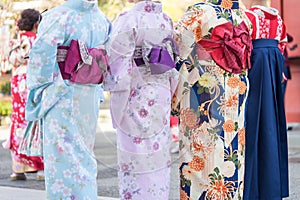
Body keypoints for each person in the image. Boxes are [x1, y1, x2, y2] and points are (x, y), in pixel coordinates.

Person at [25, 0, 111, 198]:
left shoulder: (59, 16)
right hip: (89, 92)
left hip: (61, 92)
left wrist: (39, 88)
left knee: (63, 156)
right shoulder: (101, 19)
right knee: (84, 154)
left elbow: (41, 55)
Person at [173, 0, 253, 199]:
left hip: (206, 86)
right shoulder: (243, 16)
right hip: (236, 85)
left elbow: (178, 43)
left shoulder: (201, 11)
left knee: (200, 145)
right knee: (232, 145)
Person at [104, 0, 179, 199]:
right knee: (158, 155)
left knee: (135, 154)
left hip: (136, 93)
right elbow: (172, 59)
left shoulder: (129, 19)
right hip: (161, 90)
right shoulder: (165, 19)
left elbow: (118, 64)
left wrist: (116, 94)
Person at [242, 1, 289, 199]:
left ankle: (252, 188)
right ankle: (272, 186)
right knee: (272, 121)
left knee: (252, 122)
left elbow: (242, 46)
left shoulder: (248, 17)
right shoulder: (278, 18)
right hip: (274, 62)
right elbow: (283, 45)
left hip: (255, 62)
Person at [3, 8, 44, 181]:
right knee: (37, 121)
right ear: (37, 24)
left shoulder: (15, 41)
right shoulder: (39, 40)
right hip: (34, 80)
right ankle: (40, 167)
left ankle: (18, 168)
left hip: (18, 80)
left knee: (19, 120)